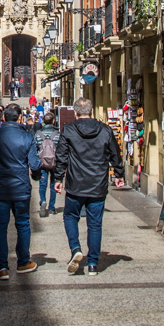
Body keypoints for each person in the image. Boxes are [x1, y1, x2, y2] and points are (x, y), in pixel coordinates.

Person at [54, 98, 125, 277]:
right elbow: (115, 153)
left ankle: (75, 248)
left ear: (75, 113)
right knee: (95, 224)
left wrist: (58, 178)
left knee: (70, 216)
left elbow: (61, 155)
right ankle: (93, 263)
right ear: (92, 112)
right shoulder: (105, 129)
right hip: (97, 184)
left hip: (76, 183)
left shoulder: (69, 130)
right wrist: (119, 174)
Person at [0, 103, 40, 280]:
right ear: (20, 118)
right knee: (23, 224)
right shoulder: (27, 137)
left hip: (0, 188)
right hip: (21, 188)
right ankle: (23, 262)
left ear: (3, 118)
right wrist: (36, 177)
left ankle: (2, 267)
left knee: (0, 226)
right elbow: (35, 165)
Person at [34, 111, 60, 217]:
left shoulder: (38, 134)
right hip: (55, 162)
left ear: (43, 122)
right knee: (53, 185)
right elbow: (61, 149)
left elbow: (35, 148)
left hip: (42, 163)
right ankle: (52, 207)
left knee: (42, 184)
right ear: (53, 121)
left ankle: (43, 200)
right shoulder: (57, 134)